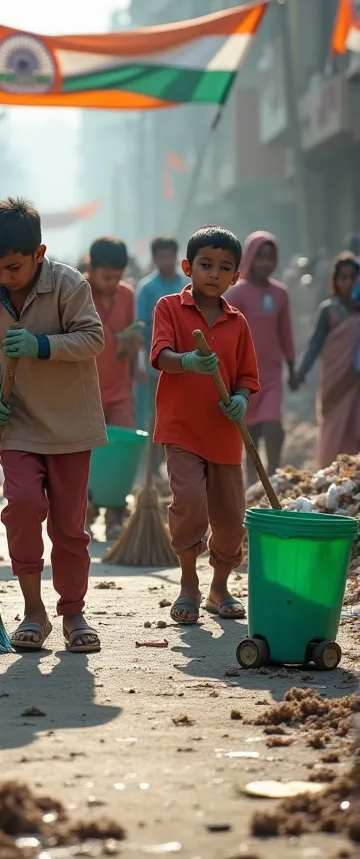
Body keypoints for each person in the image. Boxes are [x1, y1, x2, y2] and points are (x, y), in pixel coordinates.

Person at [0, 198, 106, 653]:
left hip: (70, 426)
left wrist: (41, 345)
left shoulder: (69, 284)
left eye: (14, 267)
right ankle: (33, 611)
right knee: (22, 507)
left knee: (69, 527)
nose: (5, 277)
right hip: (19, 423)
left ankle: (73, 613)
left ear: (39, 254)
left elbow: (93, 338)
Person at [150, 225, 260, 627]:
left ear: (236, 277)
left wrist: (241, 400)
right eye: (206, 264)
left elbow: (248, 376)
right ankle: (188, 583)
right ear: (188, 267)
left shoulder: (239, 323)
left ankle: (219, 588)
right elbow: (160, 355)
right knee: (190, 502)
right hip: (181, 430)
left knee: (231, 518)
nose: (214, 273)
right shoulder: (169, 308)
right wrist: (188, 362)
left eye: (225, 267)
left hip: (225, 433)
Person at [225, 231, 297, 483]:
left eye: (270, 258)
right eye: (260, 258)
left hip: (272, 372)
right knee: (251, 431)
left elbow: (285, 332)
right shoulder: (236, 294)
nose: (265, 264)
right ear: (250, 258)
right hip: (243, 373)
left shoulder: (281, 294)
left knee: (273, 426)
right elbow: (227, 332)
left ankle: (275, 475)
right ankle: (254, 486)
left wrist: (292, 366)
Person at [85, 236, 140, 540]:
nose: (112, 283)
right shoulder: (76, 292)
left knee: (122, 455)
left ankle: (115, 516)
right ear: (91, 268)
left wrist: (132, 344)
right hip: (84, 392)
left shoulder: (127, 295)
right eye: (107, 276)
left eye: (118, 277)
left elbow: (132, 340)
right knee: (86, 458)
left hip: (120, 390)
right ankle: (86, 514)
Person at [294, 252, 360, 466]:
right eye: (343, 278)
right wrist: (301, 372)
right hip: (334, 380)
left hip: (356, 380)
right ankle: (330, 471)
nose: (348, 283)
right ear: (335, 280)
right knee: (333, 421)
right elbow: (315, 344)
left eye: (353, 277)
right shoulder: (328, 310)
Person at [135, 236, 189, 473]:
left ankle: (180, 465)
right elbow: (140, 327)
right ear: (155, 259)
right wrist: (140, 362)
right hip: (156, 363)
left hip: (186, 362)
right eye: (161, 256)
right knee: (157, 417)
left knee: (183, 414)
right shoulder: (147, 289)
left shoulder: (186, 286)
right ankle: (153, 468)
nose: (166, 261)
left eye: (170, 256)